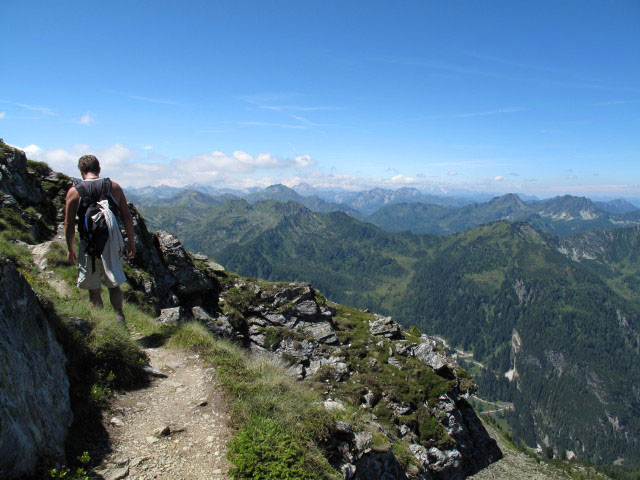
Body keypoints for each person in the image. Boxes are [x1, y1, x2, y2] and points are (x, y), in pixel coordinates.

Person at [64, 155, 136, 322]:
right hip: (112, 241)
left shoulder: (75, 191)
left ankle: (101, 321)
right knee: (114, 283)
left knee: (93, 286)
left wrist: (70, 249)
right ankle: (119, 315)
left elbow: (68, 223)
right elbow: (127, 217)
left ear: (81, 171)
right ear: (99, 169)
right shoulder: (114, 187)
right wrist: (130, 242)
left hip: (88, 241)